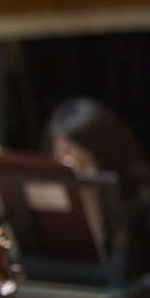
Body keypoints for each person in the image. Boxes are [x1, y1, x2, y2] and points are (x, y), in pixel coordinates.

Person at [45, 97, 150, 274]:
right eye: (62, 165)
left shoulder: (142, 205)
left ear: (107, 158)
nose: (73, 177)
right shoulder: (52, 204)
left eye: (83, 163)